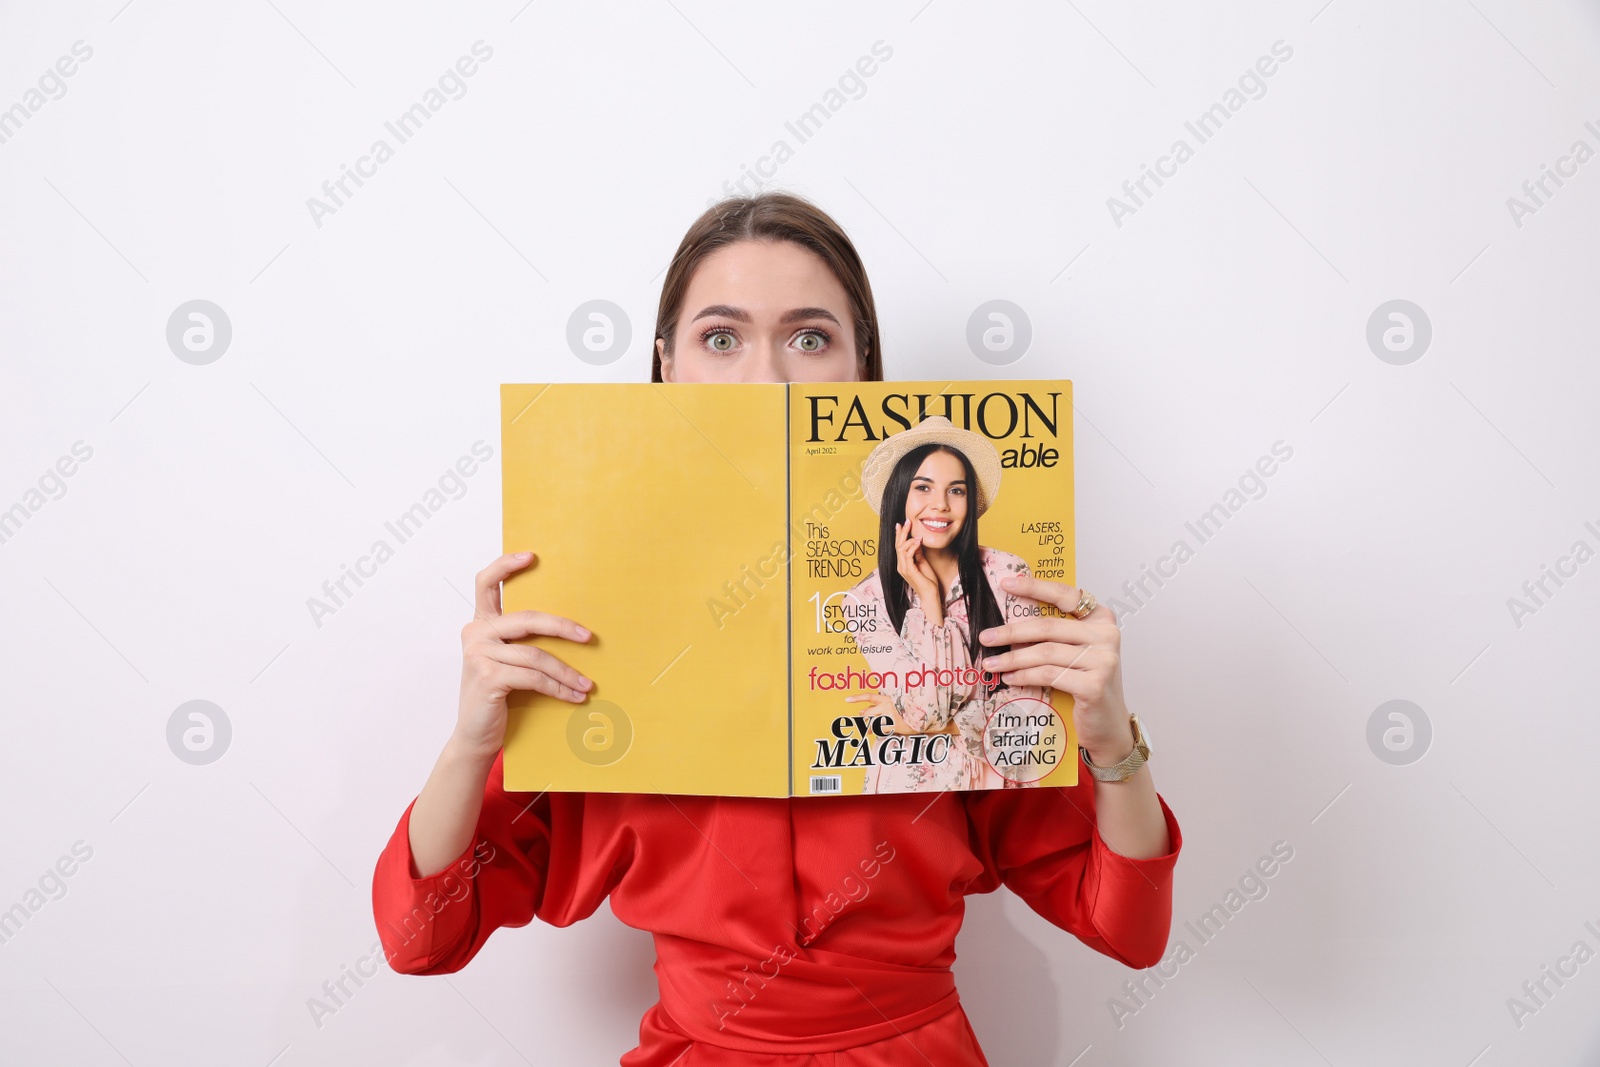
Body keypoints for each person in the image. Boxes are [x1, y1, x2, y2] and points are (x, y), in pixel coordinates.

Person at [372, 192, 1181, 1066]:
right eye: (721, 338)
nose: (765, 380)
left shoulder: (979, 597)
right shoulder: (589, 613)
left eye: (809, 337)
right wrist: (469, 740)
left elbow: (1126, 928)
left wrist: (1109, 743)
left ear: (862, 367)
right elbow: (421, 937)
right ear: (666, 365)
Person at [843, 420, 1055, 793]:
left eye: (955, 490)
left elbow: (1033, 710)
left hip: (998, 787)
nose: (940, 504)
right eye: (923, 487)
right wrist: (929, 600)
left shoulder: (1008, 574)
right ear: (899, 497)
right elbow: (928, 709)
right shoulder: (865, 600)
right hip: (903, 790)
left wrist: (935, 723)